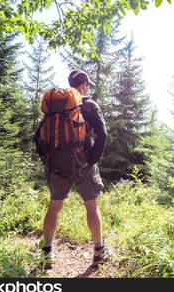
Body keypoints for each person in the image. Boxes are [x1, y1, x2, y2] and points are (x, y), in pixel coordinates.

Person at [41, 70, 112, 266]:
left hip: (57, 164)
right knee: (91, 205)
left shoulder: (55, 106)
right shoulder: (88, 105)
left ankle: (46, 251)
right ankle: (99, 250)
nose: (87, 87)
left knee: (54, 206)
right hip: (84, 165)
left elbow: (42, 136)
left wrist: (49, 160)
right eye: (87, 85)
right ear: (83, 85)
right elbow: (102, 135)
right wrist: (91, 161)